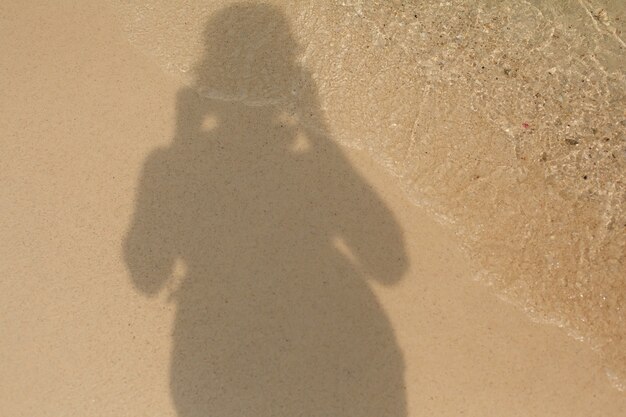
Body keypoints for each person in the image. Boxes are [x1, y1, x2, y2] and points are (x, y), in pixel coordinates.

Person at [124, 3, 408, 416]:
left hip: (227, 365)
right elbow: (389, 265)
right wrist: (320, 132)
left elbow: (148, 276)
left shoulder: (172, 165)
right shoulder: (312, 170)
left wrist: (184, 142)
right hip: (336, 358)